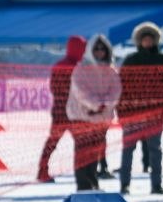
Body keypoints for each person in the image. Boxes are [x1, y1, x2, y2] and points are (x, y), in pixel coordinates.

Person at [117, 22, 163, 195]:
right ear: (139, 41)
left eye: (151, 39)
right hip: (132, 114)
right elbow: (122, 88)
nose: (148, 42)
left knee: (155, 151)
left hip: (155, 115)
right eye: (145, 39)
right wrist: (121, 112)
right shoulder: (130, 60)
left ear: (155, 40)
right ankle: (124, 184)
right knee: (128, 150)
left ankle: (156, 184)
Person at [66, 34, 120, 191]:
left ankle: (92, 182)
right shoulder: (80, 69)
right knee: (82, 153)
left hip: (101, 119)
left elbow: (115, 91)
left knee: (94, 153)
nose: (100, 52)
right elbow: (80, 91)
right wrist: (97, 104)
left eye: (103, 49)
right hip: (81, 117)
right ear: (90, 51)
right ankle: (83, 185)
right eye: (96, 49)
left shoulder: (111, 71)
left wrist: (105, 105)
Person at [37, 36, 87, 183]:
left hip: (61, 109)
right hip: (70, 111)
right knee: (80, 143)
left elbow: (54, 88)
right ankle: (83, 172)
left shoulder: (62, 65)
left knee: (53, 141)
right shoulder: (73, 67)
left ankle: (42, 170)